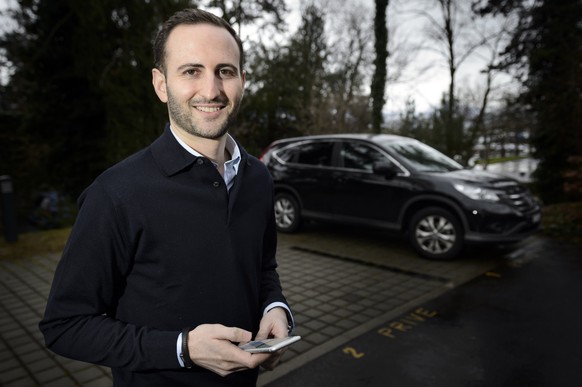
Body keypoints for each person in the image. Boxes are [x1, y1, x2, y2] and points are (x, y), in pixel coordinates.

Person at [39, 8, 293, 387]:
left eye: (224, 71)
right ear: (161, 85)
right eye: (191, 71)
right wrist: (182, 347)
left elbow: (262, 267)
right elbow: (65, 325)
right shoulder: (116, 194)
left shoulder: (257, 177)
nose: (211, 90)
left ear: (243, 80)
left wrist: (276, 307)